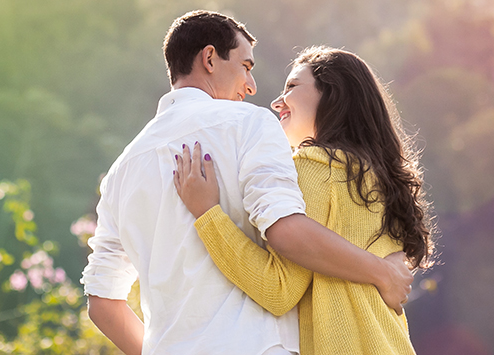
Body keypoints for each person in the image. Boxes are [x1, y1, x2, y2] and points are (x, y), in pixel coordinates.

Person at [81, 12, 413, 355]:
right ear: (210, 58)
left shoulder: (122, 171)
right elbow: (285, 231)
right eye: (246, 66)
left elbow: (102, 302)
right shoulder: (250, 124)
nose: (252, 86)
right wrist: (382, 273)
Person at [174, 46, 433, 355]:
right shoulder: (380, 177)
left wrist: (208, 214)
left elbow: (278, 289)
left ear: (332, 95)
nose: (276, 101)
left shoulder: (315, 165)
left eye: (293, 87)